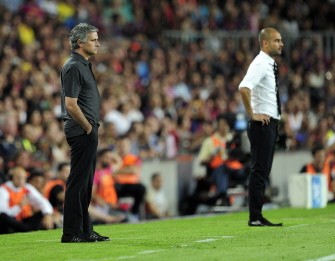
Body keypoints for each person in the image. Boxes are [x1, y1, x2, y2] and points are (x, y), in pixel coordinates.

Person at [60, 23, 108, 243]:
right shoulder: (73, 66)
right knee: (78, 182)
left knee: (86, 183)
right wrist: (88, 127)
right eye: (93, 39)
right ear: (80, 42)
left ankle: (85, 230)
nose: (97, 43)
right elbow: (70, 105)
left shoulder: (83, 64)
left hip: (87, 130)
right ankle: (71, 233)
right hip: (81, 130)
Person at [239, 28, 284, 227]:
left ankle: (257, 215)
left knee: (263, 171)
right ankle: (255, 217)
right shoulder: (259, 63)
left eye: (281, 40)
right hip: (261, 124)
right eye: (276, 40)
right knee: (259, 171)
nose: (281, 44)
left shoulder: (269, 64)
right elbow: (244, 87)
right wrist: (253, 114)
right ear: (265, 43)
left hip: (270, 123)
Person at [0, 166, 54, 234]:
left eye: (23, 178)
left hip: (25, 219)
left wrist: (47, 214)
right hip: (12, 220)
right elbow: (3, 212)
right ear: (12, 177)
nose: (21, 180)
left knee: (43, 212)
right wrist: (18, 207)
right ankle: (27, 229)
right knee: (3, 217)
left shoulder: (27, 188)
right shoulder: (4, 189)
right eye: (18, 178)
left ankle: (28, 229)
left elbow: (42, 201)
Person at [197, 114, 233, 206]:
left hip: (233, 168)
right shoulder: (209, 141)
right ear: (217, 126)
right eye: (222, 125)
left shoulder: (233, 138)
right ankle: (222, 196)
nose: (224, 127)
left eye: (226, 124)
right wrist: (212, 155)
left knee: (251, 166)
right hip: (217, 171)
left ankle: (262, 191)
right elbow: (202, 161)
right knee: (222, 168)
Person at [113, 136, 146, 220]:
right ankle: (117, 212)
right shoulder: (112, 158)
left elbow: (134, 170)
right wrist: (127, 170)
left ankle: (134, 212)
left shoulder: (134, 158)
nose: (122, 148)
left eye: (124, 146)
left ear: (129, 146)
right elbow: (110, 171)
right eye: (120, 146)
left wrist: (118, 171)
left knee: (141, 188)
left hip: (131, 185)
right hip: (116, 185)